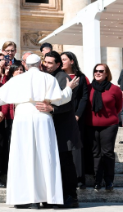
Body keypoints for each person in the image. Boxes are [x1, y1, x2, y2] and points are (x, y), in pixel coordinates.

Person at [0, 54, 79, 209]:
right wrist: (69, 89)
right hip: (43, 117)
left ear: (25, 64)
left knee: (23, 157)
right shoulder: (48, 78)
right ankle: (48, 197)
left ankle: (28, 199)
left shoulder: (16, 79)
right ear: (40, 64)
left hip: (22, 118)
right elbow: (61, 99)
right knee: (45, 156)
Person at [40, 51, 82, 208]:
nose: (46, 64)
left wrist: (51, 108)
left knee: (65, 163)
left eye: (50, 63)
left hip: (63, 129)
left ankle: (71, 196)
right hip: (52, 128)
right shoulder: (47, 76)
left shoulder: (62, 78)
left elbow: (67, 104)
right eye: (46, 61)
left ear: (58, 64)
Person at [86, 63, 122, 191]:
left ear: (107, 73)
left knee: (107, 153)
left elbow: (118, 106)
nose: (98, 73)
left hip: (109, 125)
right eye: (96, 71)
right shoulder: (89, 88)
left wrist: (109, 117)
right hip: (91, 125)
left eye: (101, 71)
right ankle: (97, 181)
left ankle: (109, 181)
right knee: (96, 153)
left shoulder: (114, 89)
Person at [61, 51, 89, 189]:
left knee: (77, 147)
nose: (62, 62)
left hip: (77, 116)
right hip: (60, 115)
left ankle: (79, 178)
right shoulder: (58, 76)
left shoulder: (81, 77)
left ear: (72, 61)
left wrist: (78, 114)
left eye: (64, 59)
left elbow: (84, 97)